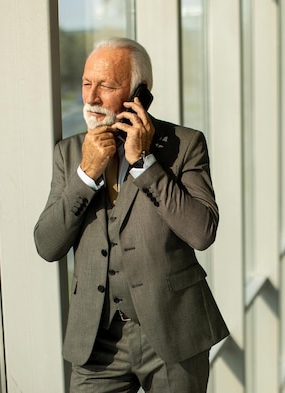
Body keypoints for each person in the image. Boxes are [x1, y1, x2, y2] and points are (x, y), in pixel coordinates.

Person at [34, 37, 229, 393]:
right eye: (86, 83)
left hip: (174, 332)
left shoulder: (185, 145)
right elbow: (47, 245)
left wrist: (144, 164)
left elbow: (202, 232)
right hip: (97, 340)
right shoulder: (69, 153)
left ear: (139, 92)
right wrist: (85, 176)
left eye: (106, 86)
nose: (91, 98)